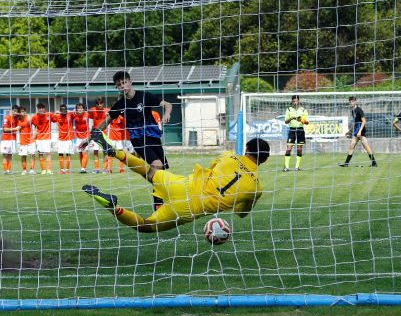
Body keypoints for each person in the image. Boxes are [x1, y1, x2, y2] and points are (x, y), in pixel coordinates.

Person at [83, 133, 270, 233]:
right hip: (189, 207)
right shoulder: (256, 188)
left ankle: (114, 151)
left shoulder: (229, 156)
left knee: (149, 171)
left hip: (182, 184)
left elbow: (213, 167)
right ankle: (114, 207)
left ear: (246, 148)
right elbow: (241, 214)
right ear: (264, 160)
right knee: (146, 226)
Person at [92, 70, 172, 210]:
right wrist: (89, 138)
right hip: (138, 139)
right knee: (157, 165)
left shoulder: (145, 96)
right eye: (119, 85)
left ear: (130, 82)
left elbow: (168, 104)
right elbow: (106, 122)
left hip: (153, 136)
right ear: (117, 87)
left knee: (162, 172)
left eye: (124, 82)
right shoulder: (120, 104)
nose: (122, 86)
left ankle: (159, 198)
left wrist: (166, 114)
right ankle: (158, 201)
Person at [339, 96, 377, 167]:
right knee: (352, 145)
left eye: (352, 101)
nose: (351, 103)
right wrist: (349, 131)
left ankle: (374, 163)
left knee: (366, 146)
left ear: (355, 101)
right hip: (356, 130)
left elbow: (364, 121)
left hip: (360, 130)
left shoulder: (359, 110)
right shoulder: (352, 111)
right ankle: (346, 163)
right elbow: (355, 122)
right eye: (350, 102)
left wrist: (360, 131)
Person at [283, 94, 309, 172]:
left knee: (299, 149)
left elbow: (307, 122)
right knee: (289, 149)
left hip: (300, 130)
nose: (295, 102)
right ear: (292, 101)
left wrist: (300, 119)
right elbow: (286, 121)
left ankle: (297, 167)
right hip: (292, 130)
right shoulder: (289, 109)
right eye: (293, 101)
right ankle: (286, 167)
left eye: (296, 101)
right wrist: (290, 118)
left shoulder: (303, 110)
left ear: (299, 101)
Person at [31, 102, 54, 174]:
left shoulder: (49, 114)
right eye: (39, 108)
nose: (41, 109)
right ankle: (43, 170)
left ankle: (49, 170)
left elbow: (56, 119)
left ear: (45, 109)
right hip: (39, 138)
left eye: (42, 108)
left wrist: (56, 113)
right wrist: (34, 134)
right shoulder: (35, 117)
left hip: (47, 137)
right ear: (38, 109)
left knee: (48, 153)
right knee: (40, 153)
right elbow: (34, 126)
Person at [89, 97, 109, 174]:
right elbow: (84, 113)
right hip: (95, 134)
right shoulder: (93, 110)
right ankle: (97, 168)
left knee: (105, 152)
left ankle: (105, 168)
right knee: (95, 151)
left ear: (103, 103)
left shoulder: (107, 110)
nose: (99, 105)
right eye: (98, 103)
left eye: (101, 103)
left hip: (104, 134)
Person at [53, 104, 74, 174]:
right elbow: (52, 118)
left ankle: (67, 170)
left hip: (69, 138)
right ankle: (62, 170)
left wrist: (69, 111)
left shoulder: (70, 114)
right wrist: (55, 113)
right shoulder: (57, 116)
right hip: (61, 138)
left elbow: (75, 113)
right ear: (60, 110)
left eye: (65, 109)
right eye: (62, 110)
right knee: (60, 154)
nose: (64, 111)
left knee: (68, 154)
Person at [1, 105, 20, 174]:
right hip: (6, 139)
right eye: (14, 111)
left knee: (10, 155)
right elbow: (4, 129)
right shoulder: (7, 118)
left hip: (13, 139)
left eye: (16, 111)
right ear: (12, 110)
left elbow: (25, 115)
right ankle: (5, 170)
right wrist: (14, 129)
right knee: (5, 154)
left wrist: (19, 114)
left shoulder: (17, 118)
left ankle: (8, 170)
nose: (15, 112)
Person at [17, 106, 36, 175]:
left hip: (31, 140)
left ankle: (32, 169)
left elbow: (35, 124)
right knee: (23, 156)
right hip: (23, 140)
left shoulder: (28, 117)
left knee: (32, 155)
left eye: (24, 111)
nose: (23, 113)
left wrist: (35, 133)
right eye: (21, 111)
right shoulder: (18, 119)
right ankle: (24, 170)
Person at [71, 103, 90, 173]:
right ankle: (82, 167)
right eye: (78, 108)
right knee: (80, 153)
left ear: (84, 109)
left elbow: (95, 112)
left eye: (81, 108)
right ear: (76, 109)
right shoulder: (73, 114)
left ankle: (83, 168)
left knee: (85, 152)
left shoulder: (87, 114)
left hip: (86, 136)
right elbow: (66, 113)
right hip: (78, 137)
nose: (80, 109)